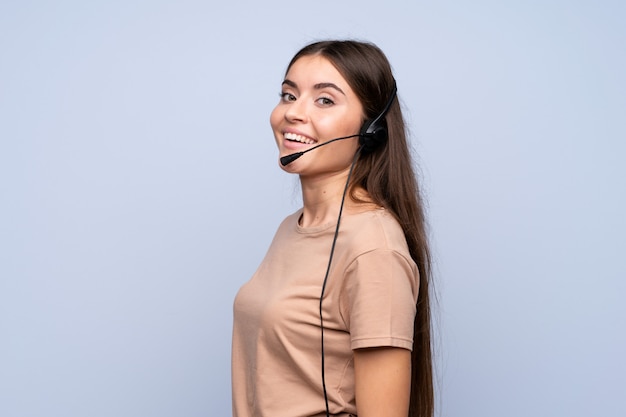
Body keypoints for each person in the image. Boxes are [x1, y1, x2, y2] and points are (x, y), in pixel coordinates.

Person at [232, 40, 434, 417]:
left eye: (324, 100)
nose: (294, 112)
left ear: (370, 128)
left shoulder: (374, 249)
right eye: (288, 95)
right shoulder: (290, 229)